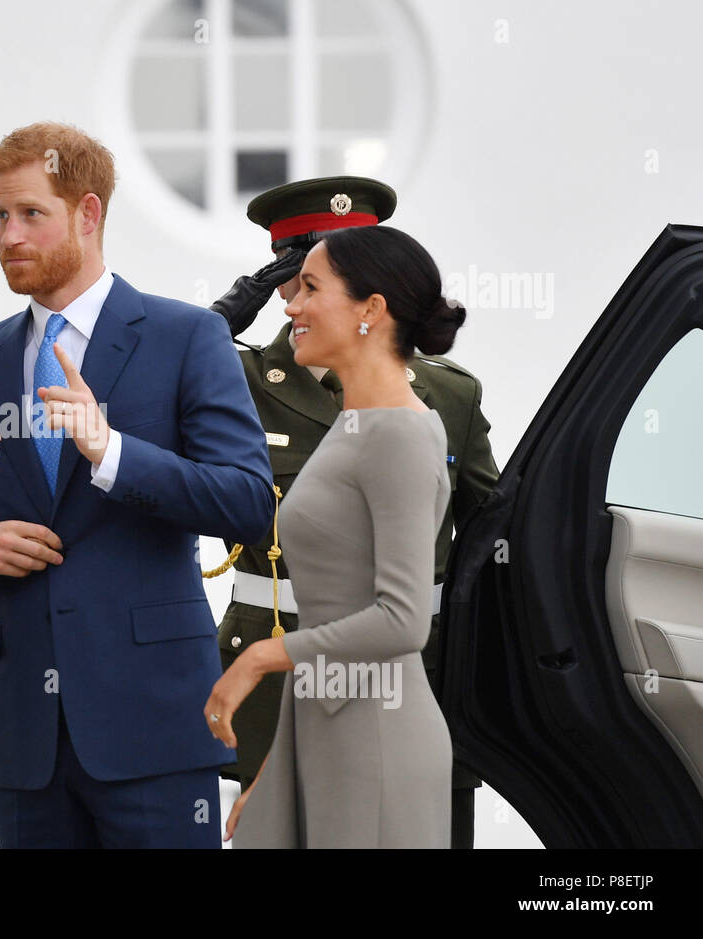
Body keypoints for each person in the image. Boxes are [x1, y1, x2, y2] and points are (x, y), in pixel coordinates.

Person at [0, 122, 273, 848]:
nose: (8, 234)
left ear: (89, 214)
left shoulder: (188, 338)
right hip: (23, 741)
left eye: (31, 213)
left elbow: (247, 501)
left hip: (155, 728)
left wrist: (114, 454)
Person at [208, 177, 499, 848]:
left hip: (381, 693)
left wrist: (262, 658)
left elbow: (474, 547)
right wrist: (222, 315)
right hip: (307, 695)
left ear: (371, 304)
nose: (295, 302)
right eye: (295, 277)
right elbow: (143, 395)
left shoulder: (419, 409)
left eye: (316, 283)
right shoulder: (260, 384)